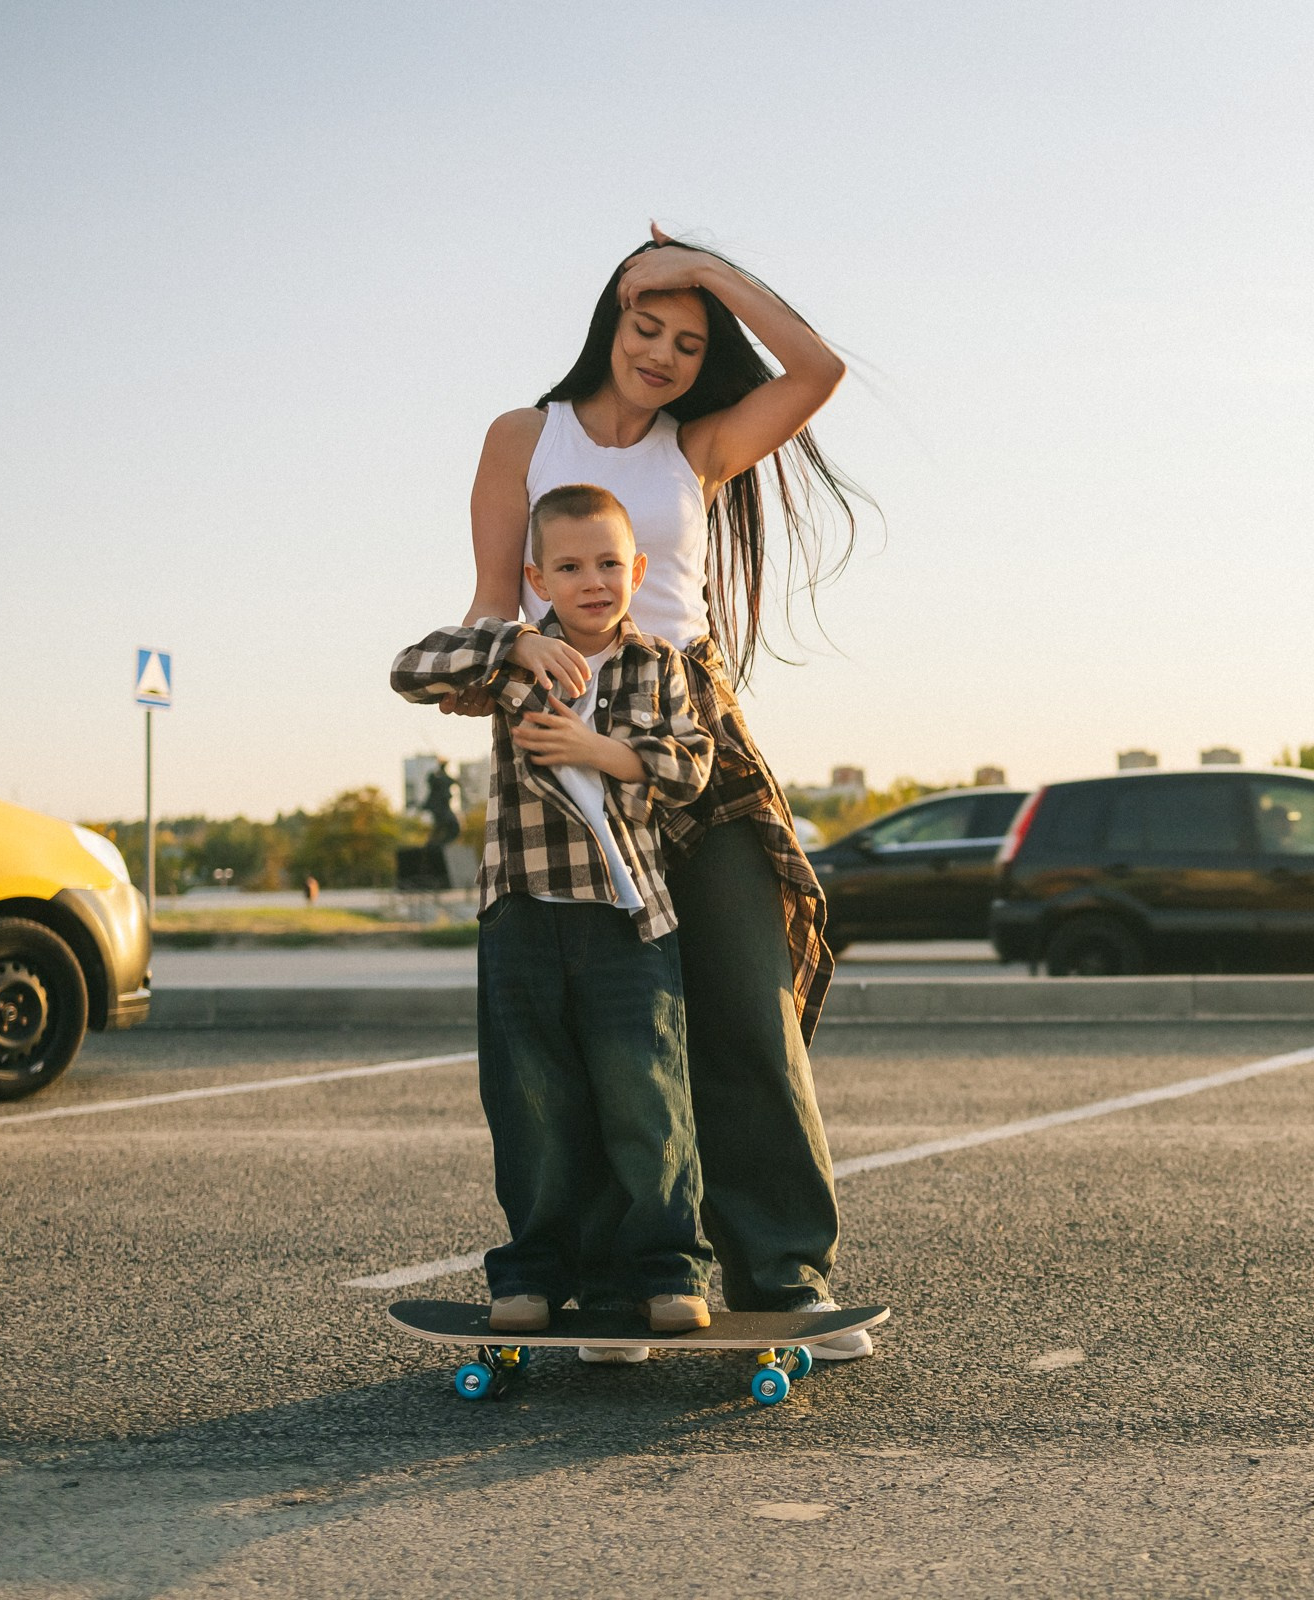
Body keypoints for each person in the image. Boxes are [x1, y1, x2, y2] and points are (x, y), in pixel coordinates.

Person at [444, 226, 873, 1358]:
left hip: (693, 738)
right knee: (592, 1031)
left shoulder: (701, 445)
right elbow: (495, 600)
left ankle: (784, 1274)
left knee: (745, 999)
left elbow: (819, 373)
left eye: (692, 340)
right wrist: (489, 675)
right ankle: (610, 1280)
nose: (669, 355)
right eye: (649, 327)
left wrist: (710, 269)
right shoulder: (519, 438)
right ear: (610, 319)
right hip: (566, 739)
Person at [393, 484, 718, 1337]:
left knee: (647, 1099)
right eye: (570, 567)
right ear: (538, 578)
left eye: (610, 563)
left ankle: (665, 1270)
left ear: (638, 569)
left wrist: (598, 750)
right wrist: (513, 640)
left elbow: (692, 769)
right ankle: (533, 1273)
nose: (594, 581)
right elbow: (410, 670)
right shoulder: (512, 660)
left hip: (628, 919)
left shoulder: (659, 665)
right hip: (524, 913)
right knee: (532, 1104)